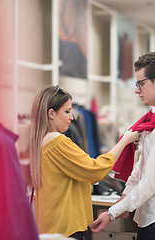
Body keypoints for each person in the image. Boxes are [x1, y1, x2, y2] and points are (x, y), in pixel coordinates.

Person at [90, 52, 155, 240]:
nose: (137, 90)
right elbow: (142, 168)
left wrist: (112, 212)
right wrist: (123, 200)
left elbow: (149, 182)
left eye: (141, 84)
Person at [29, 85, 140, 240]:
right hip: (65, 228)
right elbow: (94, 170)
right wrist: (125, 140)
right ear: (51, 113)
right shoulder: (57, 141)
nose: (72, 117)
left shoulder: (39, 141)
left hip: (51, 226)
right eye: (67, 111)